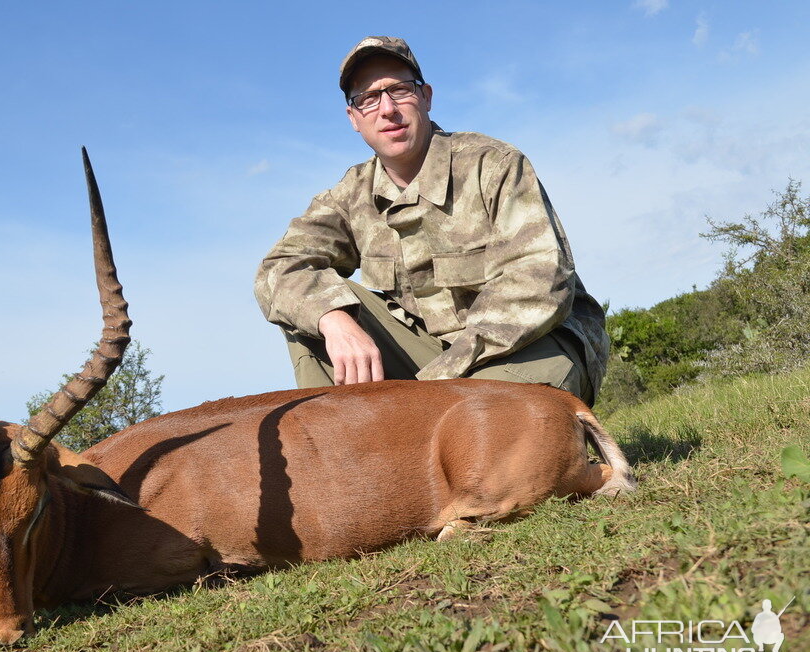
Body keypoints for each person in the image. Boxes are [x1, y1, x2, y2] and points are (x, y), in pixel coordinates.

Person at [254, 36, 609, 405]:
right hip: (431, 366)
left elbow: (539, 281)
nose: (387, 109)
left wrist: (436, 383)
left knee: (487, 425)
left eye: (399, 90)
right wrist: (334, 320)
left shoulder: (493, 164)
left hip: (526, 344)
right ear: (354, 118)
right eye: (368, 99)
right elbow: (279, 269)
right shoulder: (349, 195)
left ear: (426, 97)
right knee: (311, 313)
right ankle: (353, 457)